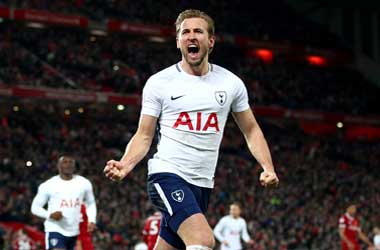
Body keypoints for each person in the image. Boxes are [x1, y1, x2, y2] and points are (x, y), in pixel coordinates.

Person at [104, 9, 279, 250]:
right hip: (167, 175)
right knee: (202, 240)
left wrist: (268, 168)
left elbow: (251, 130)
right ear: (178, 41)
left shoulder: (231, 84)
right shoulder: (159, 83)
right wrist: (125, 164)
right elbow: (144, 135)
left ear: (211, 40)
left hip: (202, 184)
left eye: (198, 31)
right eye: (185, 32)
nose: (191, 36)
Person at [31, 155, 97, 250]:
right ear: (59, 166)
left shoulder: (84, 183)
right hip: (55, 229)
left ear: (74, 166)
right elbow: (35, 207)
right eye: (65, 162)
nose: (68, 164)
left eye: (71, 162)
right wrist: (50, 215)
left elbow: (90, 203)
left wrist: (92, 220)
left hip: (75, 231)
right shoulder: (48, 185)